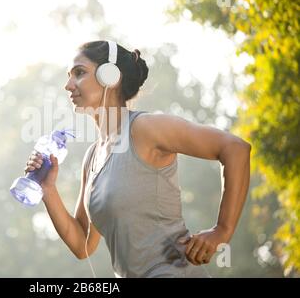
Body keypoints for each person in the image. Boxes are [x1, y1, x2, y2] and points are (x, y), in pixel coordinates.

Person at [24, 40, 251, 278]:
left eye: (79, 73)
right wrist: (48, 189)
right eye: (69, 76)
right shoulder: (92, 157)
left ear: (110, 76)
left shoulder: (145, 128)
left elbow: (235, 149)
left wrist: (222, 231)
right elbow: (83, 244)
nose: (68, 85)